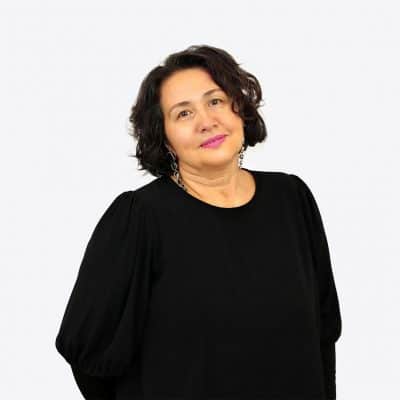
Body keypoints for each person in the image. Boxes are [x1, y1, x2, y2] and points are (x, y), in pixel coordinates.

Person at [55, 44, 342, 400]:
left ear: (240, 108)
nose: (207, 121)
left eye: (215, 101)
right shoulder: (139, 219)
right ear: (165, 138)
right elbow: (87, 350)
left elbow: (324, 332)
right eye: (184, 113)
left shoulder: (291, 198)